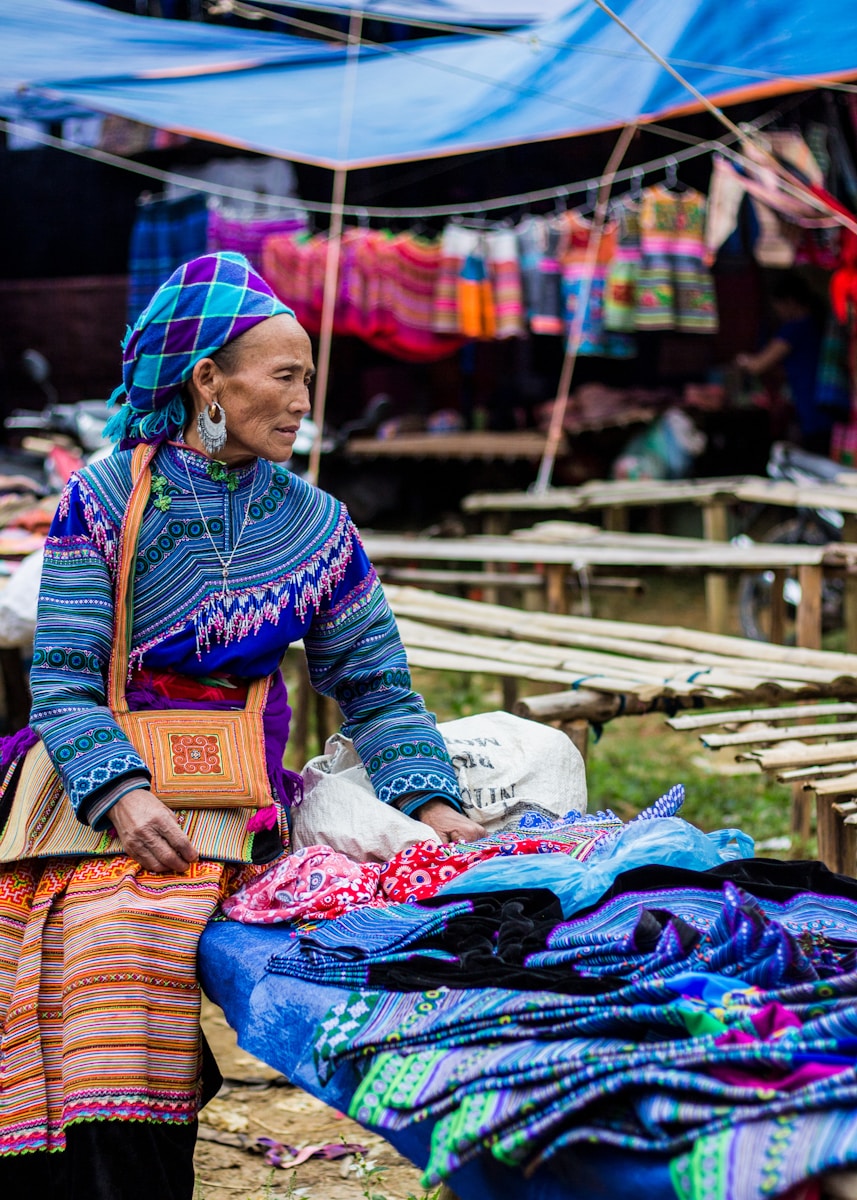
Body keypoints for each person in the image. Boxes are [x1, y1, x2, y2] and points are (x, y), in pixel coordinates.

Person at [0, 252, 482, 1198]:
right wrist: (123, 794)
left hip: (233, 787)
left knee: (128, 944)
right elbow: (58, 681)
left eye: (309, 377)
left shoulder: (319, 524)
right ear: (209, 382)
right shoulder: (102, 500)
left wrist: (433, 806)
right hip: (92, 777)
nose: (305, 398)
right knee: (79, 940)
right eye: (287, 375)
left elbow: (378, 689)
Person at [735, 273, 841, 456]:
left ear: (790, 302)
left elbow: (758, 365)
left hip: (813, 408)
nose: (778, 313)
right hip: (827, 405)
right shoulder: (816, 324)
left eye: (778, 307)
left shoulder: (796, 328)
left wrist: (741, 361)